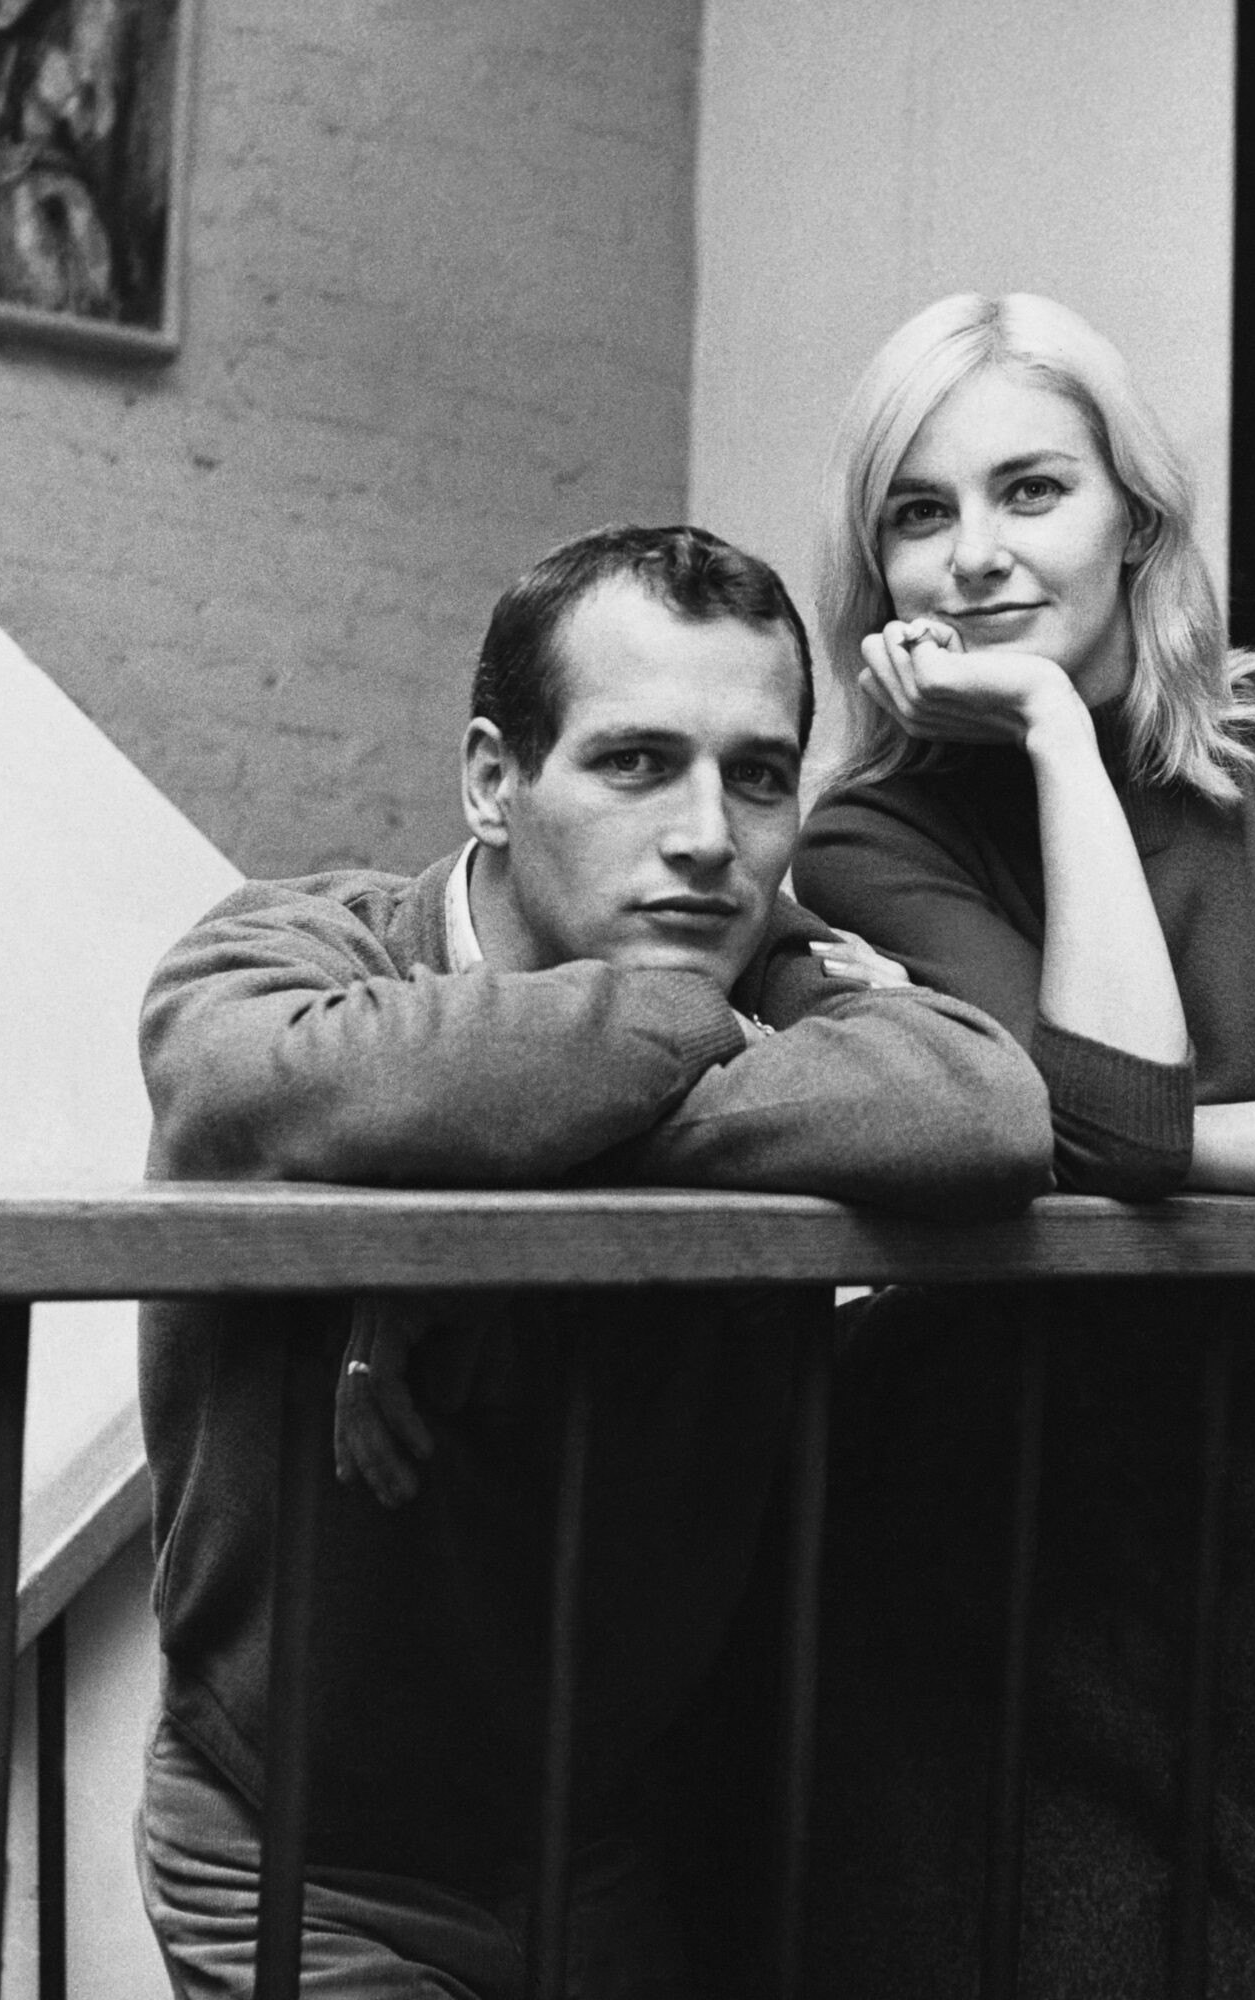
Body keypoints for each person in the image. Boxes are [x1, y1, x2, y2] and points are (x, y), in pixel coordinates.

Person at [133, 524, 1053, 1999]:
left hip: (606, 1849)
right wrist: (680, 1024)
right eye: (636, 764)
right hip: (298, 1855)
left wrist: (471, 1140)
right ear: (493, 780)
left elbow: (984, 1108)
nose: (708, 835)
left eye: (759, 776)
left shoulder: (782, 972)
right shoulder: (301, 948)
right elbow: (245, 1090)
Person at [782, 295, 1255, 1998]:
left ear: (1138, 518)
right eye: (918, 511)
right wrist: (1046, 732)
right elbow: (1112, 1109)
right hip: (977, 1504)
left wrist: (1115, 1143)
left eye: (1031, 491)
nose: (972, 554)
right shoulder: (871, 830)